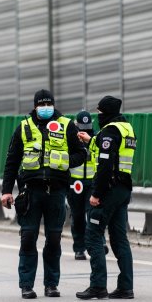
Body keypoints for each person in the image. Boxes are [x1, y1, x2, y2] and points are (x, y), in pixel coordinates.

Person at [1, 89, 87, 299]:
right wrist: (6, 191)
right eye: (42, 104)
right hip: (31, 191)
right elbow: (12, 161)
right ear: (35, 106)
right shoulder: (23, 127)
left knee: (54, 239)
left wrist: (64, 161)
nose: (46, 108)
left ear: (53, 105)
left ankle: (51, 285)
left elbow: (81, 154)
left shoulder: (66, 125)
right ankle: (27, 285)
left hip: (56, 191)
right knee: (28, 237)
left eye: (49, 104)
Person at [76, 95, 136, 300]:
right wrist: (90, 140)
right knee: (120, 238)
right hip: (123, 189)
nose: (98, 116)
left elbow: (105, 165)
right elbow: (111, 150)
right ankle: (126, 287)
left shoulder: (110, 130)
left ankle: (98, 286)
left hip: (108, 189)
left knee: (93, 235)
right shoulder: (126, 128)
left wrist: (96, 194)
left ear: (107, 113)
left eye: (100, 113)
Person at [68, 111, 98, 260]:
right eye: (82, 127)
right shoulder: (71, 138)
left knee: (93, 214)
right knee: (78, 216)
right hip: (75, 183)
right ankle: (79, 248)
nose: (84, 130)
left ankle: (97, 245)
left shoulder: (95, 138)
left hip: (92, 182)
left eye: (87, 127)